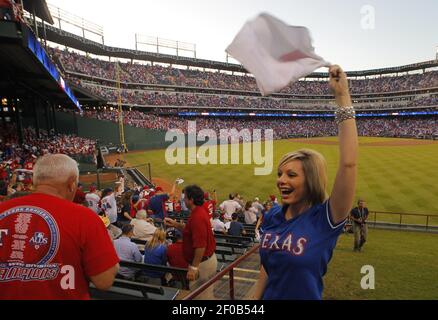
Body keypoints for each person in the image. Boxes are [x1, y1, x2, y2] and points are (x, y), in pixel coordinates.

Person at [254, 65, 358, 300]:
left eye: (291, 175)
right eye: (280, 174)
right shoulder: (273, 216)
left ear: (310, 180)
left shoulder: (325, 219)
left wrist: (342, 97)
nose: (281, 180)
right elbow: (268, 266)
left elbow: (349, 165)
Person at [0, 154, 119, 299]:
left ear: (34, 181)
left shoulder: (3, 209)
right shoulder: (85, 217)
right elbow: (104, 281)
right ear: (71, 184)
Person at [164, 185, 217, 299]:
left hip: (203, 264)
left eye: (186, 197)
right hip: (204, 262)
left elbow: (201, 246)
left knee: (201, 297)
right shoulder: (198, 210)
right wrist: (176, 224)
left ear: (191, 199)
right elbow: (190, 230)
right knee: (205, 295)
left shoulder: (198, 216)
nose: (183, 199)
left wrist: (194, 267)